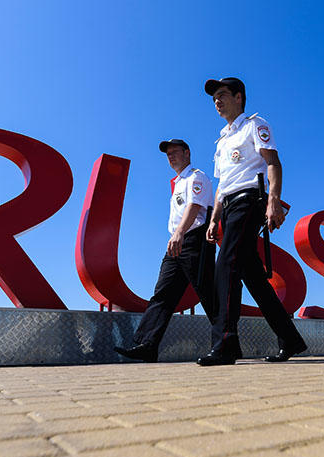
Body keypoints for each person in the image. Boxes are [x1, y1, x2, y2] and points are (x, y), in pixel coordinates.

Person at [197, 77, 308, 366]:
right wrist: (213, 219)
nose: (217, 101)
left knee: (226, 267)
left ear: (238, 97)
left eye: (222, 95)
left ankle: (225, 344)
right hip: (230, 205)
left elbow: (273, 162)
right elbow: (222, 184)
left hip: (250, 200)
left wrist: (273, 201)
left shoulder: (255, 126)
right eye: (214, 98)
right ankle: (291, 340)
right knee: (255, 280)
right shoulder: (221, 141)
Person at [114, 139, 215, 362]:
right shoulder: (178, 182)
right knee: (163, 293)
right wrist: (176, 236)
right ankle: (147, 345)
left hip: (194, 240)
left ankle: (225, 341)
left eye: (174, 152)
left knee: (207, 292)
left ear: (187, 153)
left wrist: (179, 233)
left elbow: (195, 207)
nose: (170, 157)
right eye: (167, 154)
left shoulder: (196, 177)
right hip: (176, 242)